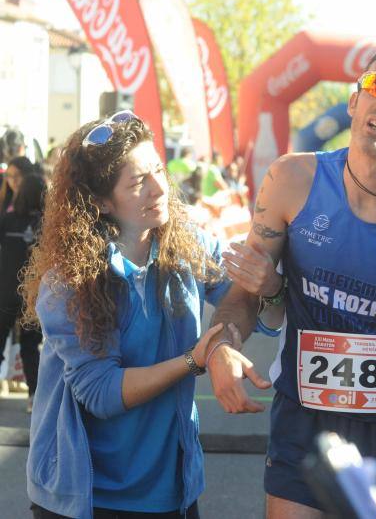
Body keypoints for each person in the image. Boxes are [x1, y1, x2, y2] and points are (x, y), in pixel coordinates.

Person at [205, 45, 376, 518]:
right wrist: (222, 345)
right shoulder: (292, 179)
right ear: (354, 101)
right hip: (304, 416)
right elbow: (244, 293)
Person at [21, 111, 233, 519]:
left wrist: (268, 291)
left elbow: (248, 302)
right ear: (101, 202)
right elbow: (102, 392)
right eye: (138, 182)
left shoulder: (189, 243)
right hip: (88, 497)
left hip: (173, 490)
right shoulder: (67, 281)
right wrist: (195, 359)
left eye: (158, 169)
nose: (160, 187)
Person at [0, 172, 47, 412]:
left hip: (6, 291)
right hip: (33, 295)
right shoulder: (46, 224)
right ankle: (33, 398)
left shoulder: (7, 220)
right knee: (31, 348)